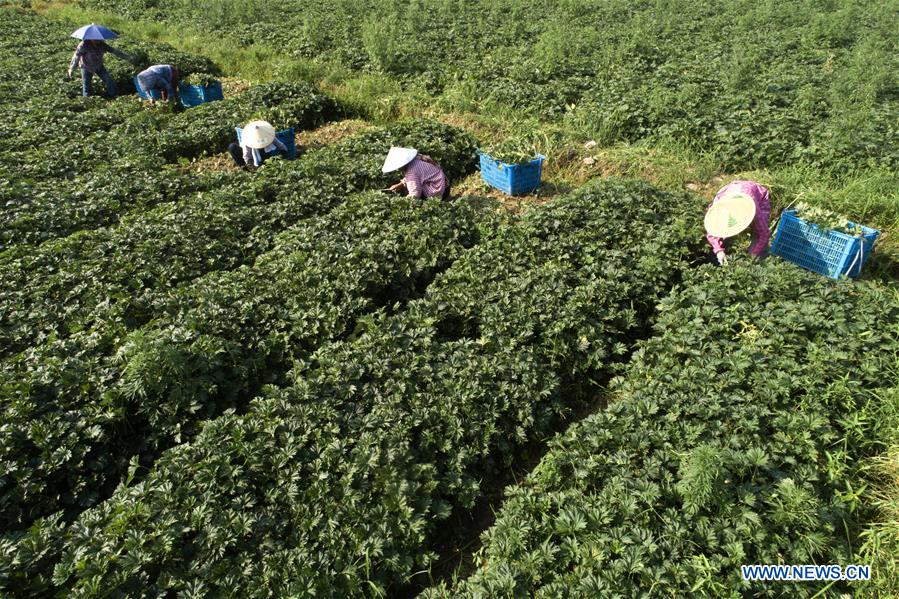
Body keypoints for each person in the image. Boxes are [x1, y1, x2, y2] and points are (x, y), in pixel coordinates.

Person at [705, 180, 771, 265]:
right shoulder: (719, 206)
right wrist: (718, 250)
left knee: (757, 233)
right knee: (724, 231)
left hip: (757, 196)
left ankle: (760, 260)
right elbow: (712, 231)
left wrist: (752, 255)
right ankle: (724, 251)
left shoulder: (753, 208)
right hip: (732, 189)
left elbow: (764, 234)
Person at [67, 39, 132, 98]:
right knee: (87, 85)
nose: (97, 40)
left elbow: (114, 51)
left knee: (108, 80)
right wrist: (71, 69)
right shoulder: (83, 45)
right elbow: (76, 56)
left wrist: (128, 57)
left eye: (99, 39)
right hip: (86, 66)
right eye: (95, 39)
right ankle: (87, 100)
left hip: (98, 65)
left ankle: (114, 95)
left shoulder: (102, 44)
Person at [382, 147, 450, 200]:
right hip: (444, 184)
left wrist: (401, 201)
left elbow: (415, 195)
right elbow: (416, 176)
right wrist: (400, 184)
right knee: (409, 184)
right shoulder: (416, 160)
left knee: (410, 190)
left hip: (439, 191)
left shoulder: (412, 171)